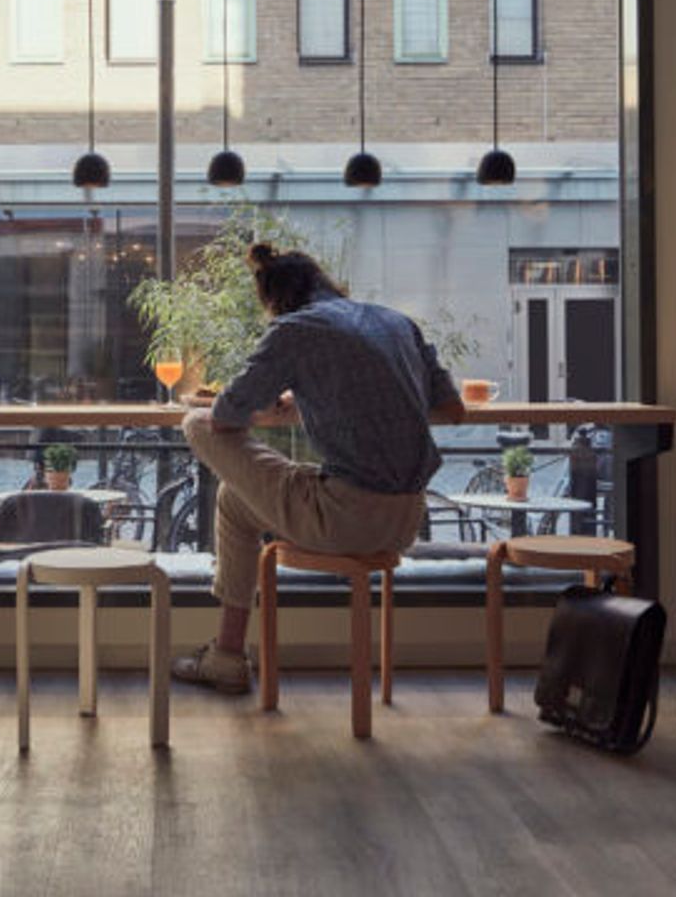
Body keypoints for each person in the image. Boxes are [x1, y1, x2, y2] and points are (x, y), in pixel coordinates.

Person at [172, 243, 466, 694]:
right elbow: (452, 409)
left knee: (195, 424)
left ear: (273, 300)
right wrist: (315, 398)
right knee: (235, 501)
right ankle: (225, 656)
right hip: (408, 518)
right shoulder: (396, 322)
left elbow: (227, 415)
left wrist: (267, 406)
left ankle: (226, 659)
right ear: (324, 281)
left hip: (345, 519)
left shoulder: (295, 329)